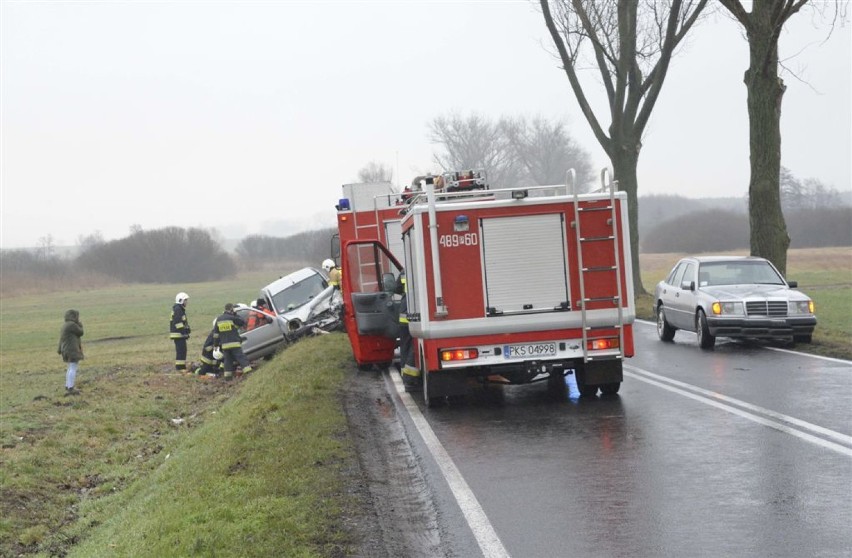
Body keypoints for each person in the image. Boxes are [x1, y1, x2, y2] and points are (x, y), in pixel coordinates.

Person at [212, 303, 253, 380]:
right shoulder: (232, 317)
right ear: (231, 309)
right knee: (241, 358)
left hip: (225, 345)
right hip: (234, 344)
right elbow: (242, 322)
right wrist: (235, 315)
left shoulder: (219, 319)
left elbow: (216, 335)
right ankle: (249, 373)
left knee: (227, 361)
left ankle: (228, 378)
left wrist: (216, 345)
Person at [395, 271, 420, 390]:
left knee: (405, 347)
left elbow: (396, 288)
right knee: (414, 347)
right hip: (416, 315)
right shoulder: (421, 266)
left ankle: (406, 377)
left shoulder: (404, 272)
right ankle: (410, 378)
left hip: (404, 316)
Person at [58, 309, 84, 395]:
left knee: (70, 367)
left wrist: (59, 349)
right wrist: (80, 325)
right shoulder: (72, 325)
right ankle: (71, 388)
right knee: (73, 367)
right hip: (72, 350)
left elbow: (61, 339)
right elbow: (80, 332)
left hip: (66, 350)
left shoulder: (65, 325)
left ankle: (68, 385)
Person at [169, 292, 191, 372]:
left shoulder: (179, 309)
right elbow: (178, 323)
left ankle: (181, 366)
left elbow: (183, 322)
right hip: (178, 335)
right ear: (181, 300)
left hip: (180, 334)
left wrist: (187, 329)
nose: (187, 302)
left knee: (182, 350)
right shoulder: (178, 309)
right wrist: (184, 332)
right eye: (185, 300)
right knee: (181, 351)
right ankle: (180, 368)